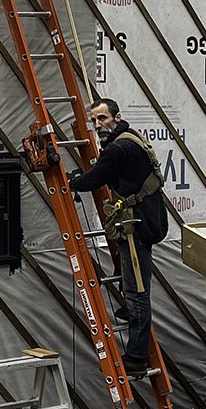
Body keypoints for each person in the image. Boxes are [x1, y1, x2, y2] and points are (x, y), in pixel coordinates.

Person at [68, 98, 170, 375]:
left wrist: (73, 181)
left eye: (102, 118)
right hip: (147, 219)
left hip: (137, 226)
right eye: (94, 120)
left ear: (116, 117)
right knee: (130, 279)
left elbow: (94, 180)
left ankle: (136, 358)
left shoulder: (117, 148)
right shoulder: (131, 137)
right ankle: (130, 309)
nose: (98, 124)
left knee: (138, 294)